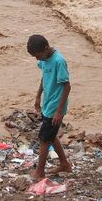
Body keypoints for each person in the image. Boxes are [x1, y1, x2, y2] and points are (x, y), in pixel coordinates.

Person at [27, 34, 72, 181]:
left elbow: (67, 87)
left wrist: (59, 112)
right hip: (48, 104)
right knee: (51, 136)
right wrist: (38, 96)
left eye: (37, 55)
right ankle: (64, 164)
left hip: (55, 107)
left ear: (46, 48)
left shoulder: (59, 61)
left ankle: (40, 172)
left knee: (44, 139)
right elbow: (44, 77)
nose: (37, 59)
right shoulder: (45, 60)